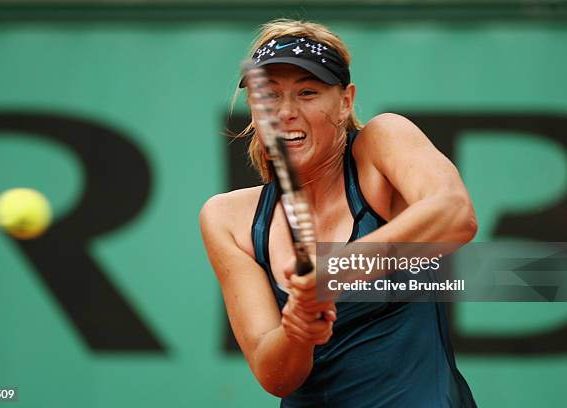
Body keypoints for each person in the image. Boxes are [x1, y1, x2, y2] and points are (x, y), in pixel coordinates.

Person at [200, 19, 478, 407]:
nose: (285, 112)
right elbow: (274, 375)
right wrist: (298, 330)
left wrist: (329, 274)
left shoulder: (382, 143)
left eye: (308, 92)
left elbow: (455, 215)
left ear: (345, 101)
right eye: (269, 96)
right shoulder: (226, 218)